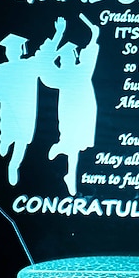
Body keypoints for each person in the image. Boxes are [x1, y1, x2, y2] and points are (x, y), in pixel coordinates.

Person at [0, 18, 66, 185]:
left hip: (26, 115)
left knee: (21, 143)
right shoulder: (1, 69)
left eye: (15, 48)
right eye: (10, 49)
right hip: (9, 115)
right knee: (8, 134)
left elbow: (46, 54)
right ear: (6, 52)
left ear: (21, 50)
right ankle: (4, 141)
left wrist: (58, 33)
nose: (12, 52)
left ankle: (13, 166)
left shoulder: (30, 65)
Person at [44, 14, 99, 195]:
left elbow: (90, 53)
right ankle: (63, 149)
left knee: (76, 142)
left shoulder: (83, 69)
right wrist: (58, 35)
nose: (66, 59)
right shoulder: (60, 75)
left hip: (85, 109)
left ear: (76, 57)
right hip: (68, 111)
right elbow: (45, 64)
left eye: (70, 56)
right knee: (70, 138)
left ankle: (70, 173)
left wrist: (94, 36)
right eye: (63, 58)